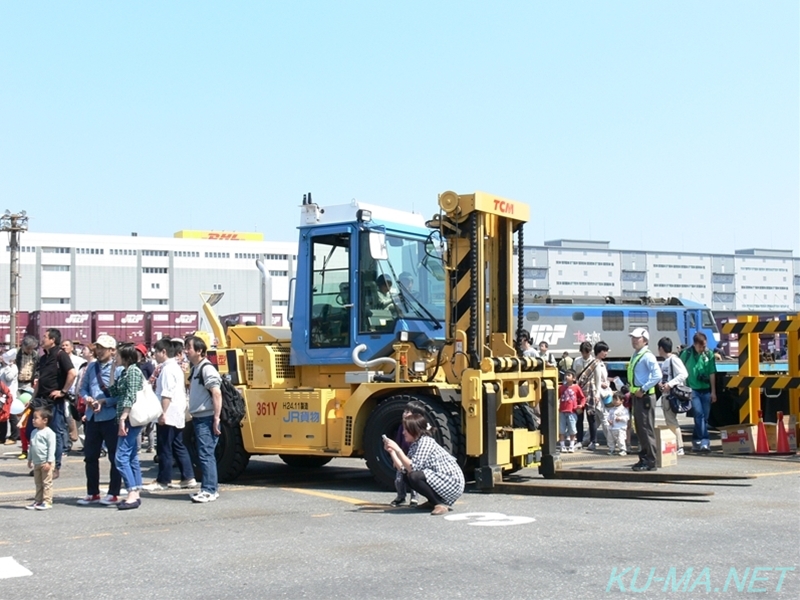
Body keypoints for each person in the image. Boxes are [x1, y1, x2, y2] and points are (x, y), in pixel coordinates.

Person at [383, 412, 464, 516]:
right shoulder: (416, 444)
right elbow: (403, 468)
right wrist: (392, 452)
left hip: (452, 482)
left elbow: (413, 468)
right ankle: (432, 501)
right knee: (406, 475)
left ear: (414, 430)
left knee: (414, 476)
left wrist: (398, 449)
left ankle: (439, 503)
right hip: (441, 480)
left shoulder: (425, 441)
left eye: (406, 430)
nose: (403, 433)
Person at [143, 338, 196, 492]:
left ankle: (163, 480)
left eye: (156, 352)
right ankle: (188, 476)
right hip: (176, 413)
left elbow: (166, 394)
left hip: (168, 413)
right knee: (178, 445)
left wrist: (162, 413)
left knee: (164, 448)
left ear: (163, 352)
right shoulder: (175, 368)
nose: (154, 355)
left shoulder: (166, 369)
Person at [77, 335, 124, 506]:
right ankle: (92, 492)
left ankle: (113, 493)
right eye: (97, 347)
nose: (99, 351)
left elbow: (122, 395)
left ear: (112, 350)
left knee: (114, 456)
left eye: (103, 348)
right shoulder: (91, 367)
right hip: (92, 418)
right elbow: (82, 389)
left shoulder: (118, 369)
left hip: (110, 417)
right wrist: (88, 398)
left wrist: (105, 402)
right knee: (90, 456)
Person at [30, 328, 77, 479]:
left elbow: (72, 373)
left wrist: (62, 391)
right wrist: (33, 398)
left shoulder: (60, 355)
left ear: (53, 340)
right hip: (41, 400)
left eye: (45, 337)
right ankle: (41, 464)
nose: (42, 339)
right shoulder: (43, 358)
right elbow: (39, 380)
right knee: (39, 432)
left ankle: (55, 466)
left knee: (55, 434)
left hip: (55, 402)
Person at [106, 343, 146, 510]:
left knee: (121, 457)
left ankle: (131, 491)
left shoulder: (134, 372)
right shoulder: (124, 372)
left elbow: (131, 396)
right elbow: (113, 391)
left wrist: (123, 418)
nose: (115, 357)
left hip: (130, 418)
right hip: (126, 417)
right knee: (130, 457)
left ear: (126, 356)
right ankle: (135, 490)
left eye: (118, 355)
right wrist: (113, 371)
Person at [186, 336, 222, 503]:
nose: (186, 351)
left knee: (206, 454)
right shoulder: (196, 368)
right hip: (200, 417)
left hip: (206, 418)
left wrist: (216, 417)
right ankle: (209, 488)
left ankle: (209, 490)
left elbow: (216, 392)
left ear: (199, 350)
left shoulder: (206, 368)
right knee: (205, 453)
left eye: (189, 348)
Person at [627, 328, 662, 472]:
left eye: (637, 338)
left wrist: (644, 389)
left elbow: (657, 375)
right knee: (640, 429)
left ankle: (650, 460)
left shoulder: (647, 356)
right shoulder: (637, 354)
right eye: (633, 338)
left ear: (645, 340)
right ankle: (644, 458)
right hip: (638, 396)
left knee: (646, 429)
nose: (634, 340)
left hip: (645, 397)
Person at [680, 332, 717, 453]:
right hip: (693, 390)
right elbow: (679, 369)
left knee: (704, 418)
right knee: (699, 415)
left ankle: (696, 440)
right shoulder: (687, 354)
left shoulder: (709, 354)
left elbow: (712, 372)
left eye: (705, 345)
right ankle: (705, 442)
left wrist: (713, 391)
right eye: (701, 346)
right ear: (695, 344)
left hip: (705, 389)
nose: (703, 348)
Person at [390, 400, 425, 507]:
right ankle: (401, 496)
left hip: (414, 458)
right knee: (399, 479)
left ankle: (414, 497)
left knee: (413, 478)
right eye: (405, 411)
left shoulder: (419, 430)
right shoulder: (401, 428)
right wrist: (395, 458)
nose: (404, 413)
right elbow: (398, 445)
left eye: (408, 412)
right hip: (403, 457)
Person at [657, 337, 688, 456]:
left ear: (661, 348)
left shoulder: (673, 360)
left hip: (671, 395)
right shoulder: (666, 361)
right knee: (670, 421)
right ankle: (676, 445)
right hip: (666, 395)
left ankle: (679, 446)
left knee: (671, 421)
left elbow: (684, 374)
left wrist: (669, 384)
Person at [25, 407, 56, 510]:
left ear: (45, 420)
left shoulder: (49, 433)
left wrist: (49, 462)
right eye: (33, 418)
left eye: (36, 418)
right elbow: (32, 447)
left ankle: (47, 501)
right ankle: (38, 501)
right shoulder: (34, 432)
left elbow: (52, 448)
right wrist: (29, 459)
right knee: (38, 483)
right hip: (37, 462)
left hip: (45, 462)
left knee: (46, 483)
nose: (33, 420)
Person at [15, 335, 39, 460]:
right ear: (23, 346)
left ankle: (30, 444)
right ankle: (23, 443)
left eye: (32, 348)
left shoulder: (35, 355)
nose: (30, 350)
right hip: (18, 384)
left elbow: (38, 369)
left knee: (29, 412)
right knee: (19, 412)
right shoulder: (16, 355)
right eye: (28, 348)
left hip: (30, 385)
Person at [558, 369, 585, 453]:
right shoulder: (561, 387)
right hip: (562, 411)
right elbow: (557, 397)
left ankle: (571, 445)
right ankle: (562, 446)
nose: (566, 377)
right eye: (566, 375)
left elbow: (583, 397)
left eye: (569, 375)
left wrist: (581, 405)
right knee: (561, 429)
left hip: (572, 412)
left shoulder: (576, 387)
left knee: (572, 429)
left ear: (574, 378)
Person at [0, 349, 19, 445]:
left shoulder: (13, 367)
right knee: (2, 416)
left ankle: (14, 437)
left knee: (12, 416)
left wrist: (7, 366)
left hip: (11, 396)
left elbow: (9, 377)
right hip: (2, 396)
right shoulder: (1, 367)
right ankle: (1, 437)